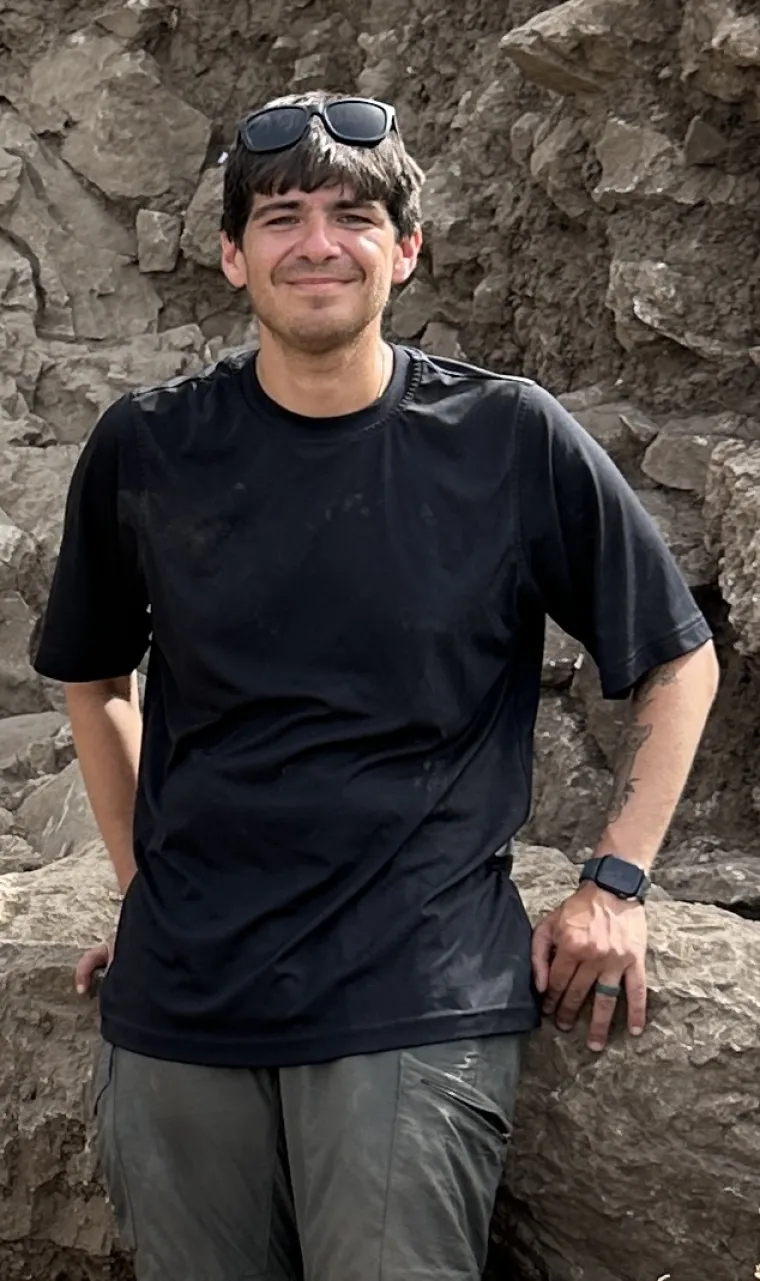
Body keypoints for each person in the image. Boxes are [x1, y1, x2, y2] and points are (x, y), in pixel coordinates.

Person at [33, 89, 719, 1281]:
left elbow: (675, 654)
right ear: (232, 257)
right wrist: (145, 887)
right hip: (183, 1005)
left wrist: (615, 881)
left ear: (406, 249)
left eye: (352, 216)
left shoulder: (505, 437)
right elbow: (93, 680)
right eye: (282, 216)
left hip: (413, 989)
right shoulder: (148, 448)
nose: (316, 243)